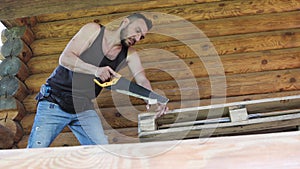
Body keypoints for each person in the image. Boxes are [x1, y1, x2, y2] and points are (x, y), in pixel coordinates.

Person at [27, 13, 168, 148]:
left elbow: (142, 80)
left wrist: (154, 98)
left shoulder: (130, 54)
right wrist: (96, 70)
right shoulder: (93, 30)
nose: (137, 38)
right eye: (137, 31)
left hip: (83, 107)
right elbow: (65, 58)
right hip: (54, 100)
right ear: (125, 22)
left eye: (141, 37)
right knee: (35, 152)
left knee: (102, 152)